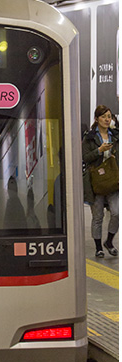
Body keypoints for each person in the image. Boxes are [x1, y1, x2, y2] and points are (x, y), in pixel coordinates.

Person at [82, 105, 118, 258]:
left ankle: (109, 241)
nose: (107, 119)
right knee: (98, 216)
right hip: (96, 181)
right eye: (103, 116)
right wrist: (99, 150)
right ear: (96, 119)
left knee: (116, 213)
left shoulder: (116, 135)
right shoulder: (89, 137)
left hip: (112, 179)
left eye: (109, 116)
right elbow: (85, 157)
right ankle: (98, 247)